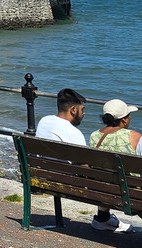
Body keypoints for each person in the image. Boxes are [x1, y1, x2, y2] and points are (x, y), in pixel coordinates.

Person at [35, 88, 126, 232]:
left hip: (44, 177)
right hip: (69, 183)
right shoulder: (73, 133)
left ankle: (104, 219)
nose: (84, 114)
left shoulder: (44, 121)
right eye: (82, 109)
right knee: (108, 175)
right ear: (73, 110)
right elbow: (85, 170)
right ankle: (103, 218)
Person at [86, 98, 140, 232]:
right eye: (129, 115)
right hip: (129, 194)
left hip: (101, 190)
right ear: (124, 120)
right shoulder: (133, 136)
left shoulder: (94, 136)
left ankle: (102, 218)